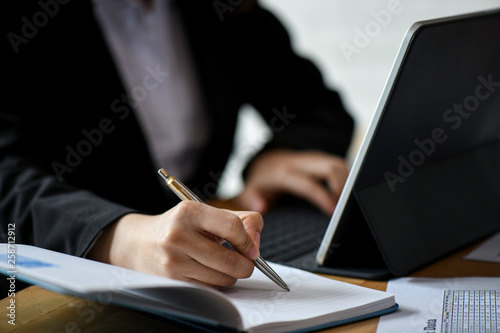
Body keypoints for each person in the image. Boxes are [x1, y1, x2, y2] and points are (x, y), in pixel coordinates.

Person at [1, 0, 354, 290]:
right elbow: (8, 182)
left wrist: (279, 155)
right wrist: (116, 237)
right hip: (45, 288)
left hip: (205, 273)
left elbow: (317, 108)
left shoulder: (225, 12)